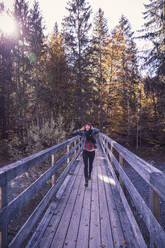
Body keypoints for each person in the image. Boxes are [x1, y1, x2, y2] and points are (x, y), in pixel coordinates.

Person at [73, 123, 100, 187]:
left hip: (92, 151)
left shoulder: (93, 132)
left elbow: (98, 130)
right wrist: (80, 129)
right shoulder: (83, 133)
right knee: (85, 165)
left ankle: (90, 173)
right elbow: (74, 132)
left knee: (90, 164)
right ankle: (86, 180)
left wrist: (93, 128)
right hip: (85, 151)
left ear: (90, 127)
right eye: (86, 127)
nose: (87, 128)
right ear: (85, 127)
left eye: (88, 127)